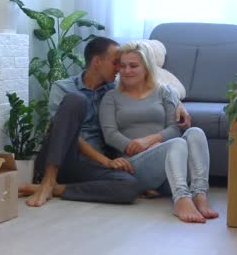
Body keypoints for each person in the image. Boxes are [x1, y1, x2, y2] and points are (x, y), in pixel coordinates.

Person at [20, 37, 192, 207]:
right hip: (64, 156)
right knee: (75, 100)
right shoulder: (63, 87)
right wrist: (106, 161)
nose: (120, 69)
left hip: (92, 165)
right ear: (97, 61)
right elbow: (61, 131)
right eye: (116, 62)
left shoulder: (113, 90)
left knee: (131, 186)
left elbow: (152, 84)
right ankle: (48, 181)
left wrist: (177, 103)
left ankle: (58, 189)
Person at [98, 41, 218, 223]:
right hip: (136, 165)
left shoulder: (164, 92)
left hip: (173, 164)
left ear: (146, 67)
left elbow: (175, 128)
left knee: (195, 133)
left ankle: (200, 195)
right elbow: (110, 134)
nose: (126, 71)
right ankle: (181, 199)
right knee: (176, 144)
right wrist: (137, 146)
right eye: (122, 66)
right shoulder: (111, 97)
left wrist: (150, 140)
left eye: (133, 66)